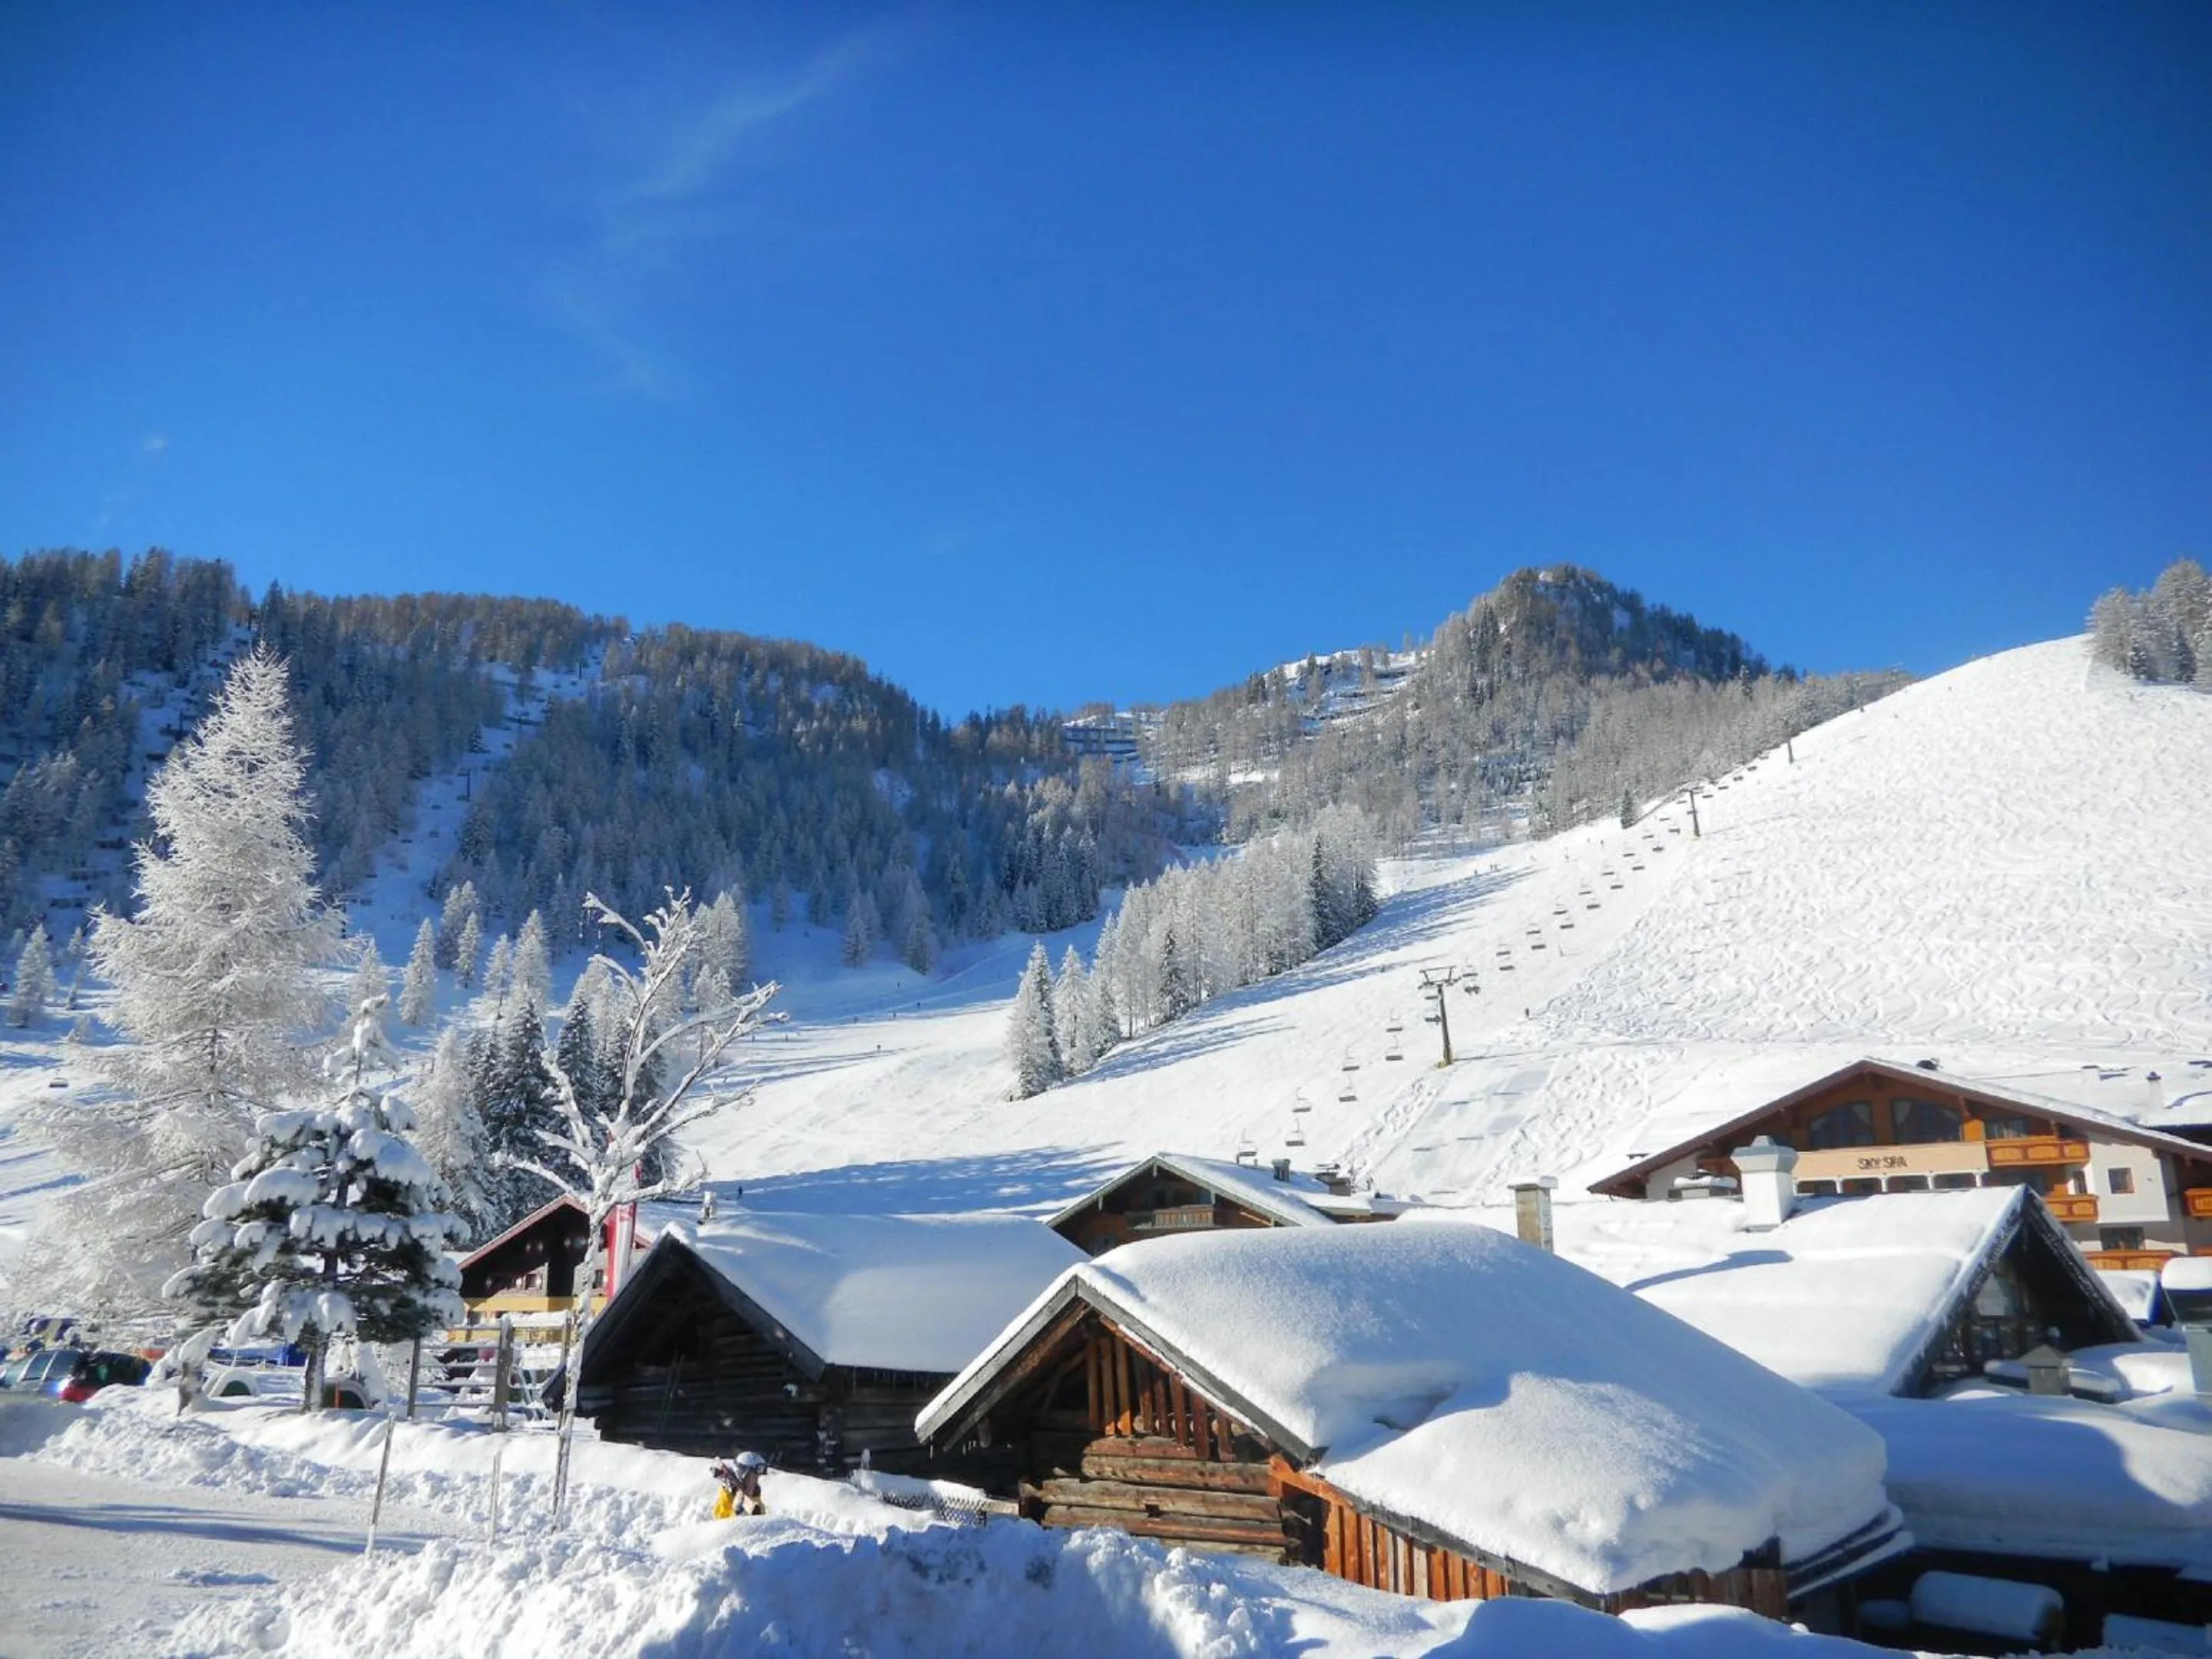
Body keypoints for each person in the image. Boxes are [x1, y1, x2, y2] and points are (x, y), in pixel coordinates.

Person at [710, 1450, 768, 1518]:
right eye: (751, 1478)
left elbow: (762, 1525)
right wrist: (737, 1511)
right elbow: (719, 1524)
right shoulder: (727, 1495)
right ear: (742, 1476)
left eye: (756, 1478)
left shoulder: (756, 1501)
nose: (754, 1483)